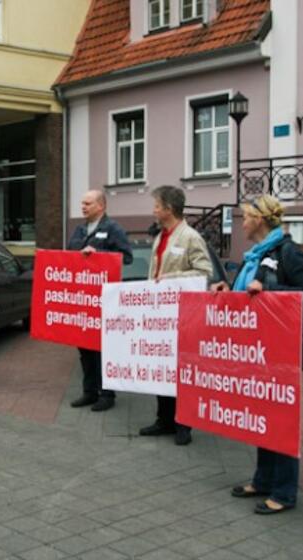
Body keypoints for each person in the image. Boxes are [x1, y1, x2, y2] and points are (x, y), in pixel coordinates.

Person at [211, 194, 303, 514]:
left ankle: (285, 491)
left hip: (280, 350)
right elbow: (246, 297)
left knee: (280, 419)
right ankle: (263, 479)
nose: (242, 222)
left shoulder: (289, 253)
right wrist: (226, 292)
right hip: (255, 350)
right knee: (262, 416)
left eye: (245, 217)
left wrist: (269, 292)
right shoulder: (255, 255)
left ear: (260, 220)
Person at [138, 186, 213, 445]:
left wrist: (170, 279)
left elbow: (204, 272)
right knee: (162, 369)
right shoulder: (161, 236)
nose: (153, 210)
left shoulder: (191, 237)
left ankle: (184, 424)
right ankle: (164, 419)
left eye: (157, 205)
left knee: (181, 371)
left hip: (182, 316)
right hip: (160, 315)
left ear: (169, 209)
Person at [67, 189, 133, 412]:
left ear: (101, 206)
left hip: (105, 299)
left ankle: (107, 394)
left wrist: (98, 256)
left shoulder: (113, 229)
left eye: (87, 203)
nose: (83, 207)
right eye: (82, 203)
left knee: (103, 348)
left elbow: (127, 256)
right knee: (84, 347)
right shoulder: (79, 229)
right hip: (83, 299)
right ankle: (89, 391)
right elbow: (69, 253)